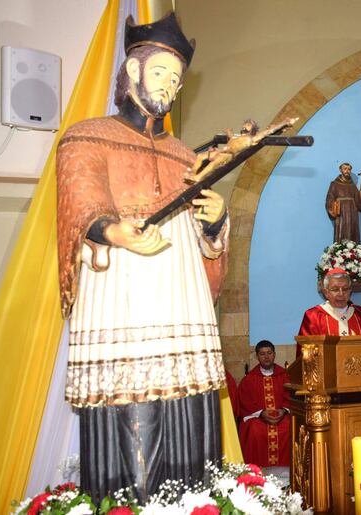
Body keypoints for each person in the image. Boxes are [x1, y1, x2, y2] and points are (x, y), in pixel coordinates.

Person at [56, 13, 288, 502]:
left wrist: (214, 220)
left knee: (192, 418)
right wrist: (112, 228)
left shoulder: (186, 155)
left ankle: (194, 504)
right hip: (124, 291)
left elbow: (203, 237)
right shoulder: (86, 135)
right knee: (131, 419)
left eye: (178, 78)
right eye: (161, 71)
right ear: (134, 71)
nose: (171, 85)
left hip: (182, 300)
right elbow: (79, 199)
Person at [297, 268, 361, 356]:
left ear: (350, 291)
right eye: (335, 289)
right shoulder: (313, 316)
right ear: (326, 292)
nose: (341, 294)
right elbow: (305, 354)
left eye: (345, 289)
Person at [237, 340, 291, 467]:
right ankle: (256, 470)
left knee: (289, 427)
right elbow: (245, 402)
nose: (266, 357)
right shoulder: (249, 379)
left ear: (274, 354)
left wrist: (283, 411)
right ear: (257, 356)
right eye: (262, 354)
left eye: (269, 353)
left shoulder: (285, 376)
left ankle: (289, 471)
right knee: (254, 429)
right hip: (258, 418)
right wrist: (261, 413)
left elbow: (291, 397)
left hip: (282, 416)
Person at [326, 162, 361, 243]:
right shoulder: (334, 184)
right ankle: (341, 252)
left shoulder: (352, 186)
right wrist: (334, 209)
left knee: (352, 233)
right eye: (345, 169)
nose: (347, 171)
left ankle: (354, 252)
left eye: (349, 169)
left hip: (352, 213)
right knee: (341, 233)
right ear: (340, 170)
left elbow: (359, 203)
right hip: (341, 213)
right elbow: (329, 199)